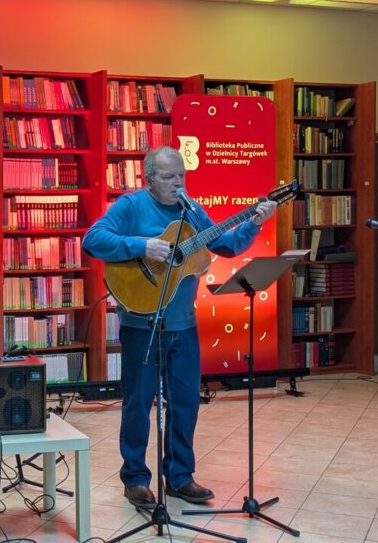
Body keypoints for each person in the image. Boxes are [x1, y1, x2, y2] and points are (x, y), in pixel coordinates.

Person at [82, 145, 275, 508]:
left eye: (182, 176)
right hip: (142, 324)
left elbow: (226, 245)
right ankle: (136, 479)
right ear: (149, 179)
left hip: (184, 324)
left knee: (185, 403)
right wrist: (141, 246)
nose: (177, 183)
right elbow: (93, 240)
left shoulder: (193, 210)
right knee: (139, 403)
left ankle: (180, 477)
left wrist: (254, 223)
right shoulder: (130, 205)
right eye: (168, 177)